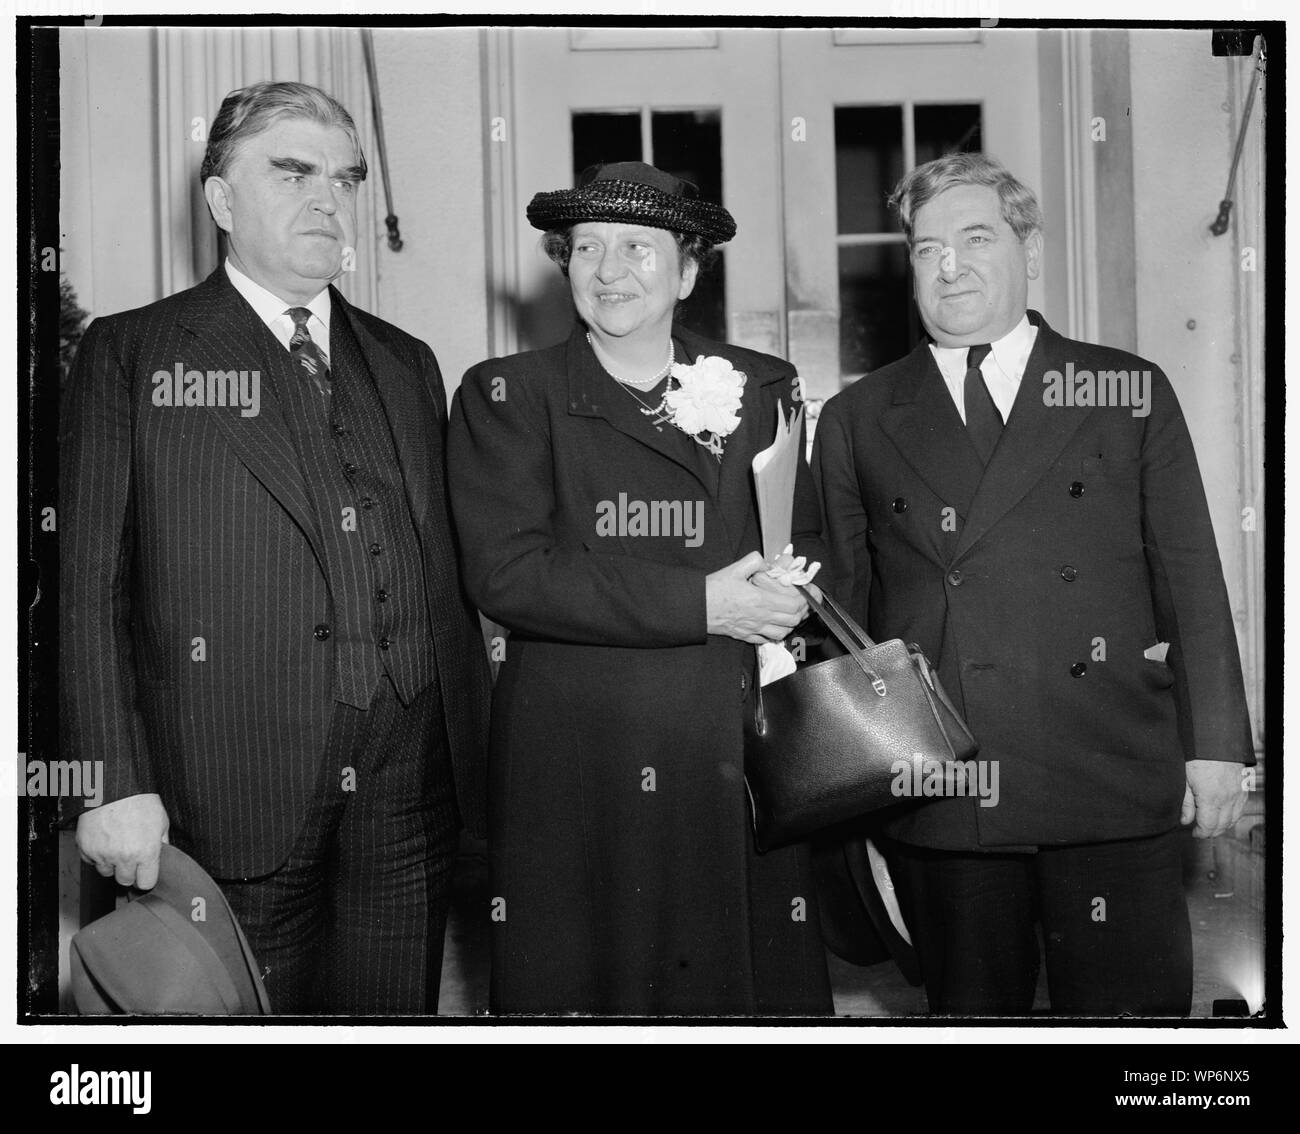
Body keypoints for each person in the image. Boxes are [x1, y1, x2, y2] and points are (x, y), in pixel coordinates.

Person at [60, 81, 490, 1014]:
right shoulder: (131, 356)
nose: (326, 199)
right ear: (220, 201)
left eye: (342, 177)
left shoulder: (407, 357)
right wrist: (106, 785)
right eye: (290, 172)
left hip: (410, 779)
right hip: (228, 784)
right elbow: (87, 588)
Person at [812, 152, 1254, 1015]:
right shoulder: (859, 415)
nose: (950, 267)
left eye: (975, 238)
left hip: (1108, 766)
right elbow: (846, 610)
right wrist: (860, 785)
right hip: (947, 785)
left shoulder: (1123, 388)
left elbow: (1190, 572)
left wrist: (1216, 745)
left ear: (1031, 251)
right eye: (926, 247)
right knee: (975, 1014)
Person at [448, 161, 832, 1015]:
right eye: (586, 247)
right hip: (579, 750)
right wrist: (708, 603)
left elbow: (804, 536)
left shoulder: (762, 385)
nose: (609, 270)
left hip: (732, 742)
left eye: (637, 248)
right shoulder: (508, 395)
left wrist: (792, 589)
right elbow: (510, 573)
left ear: (689, 271)